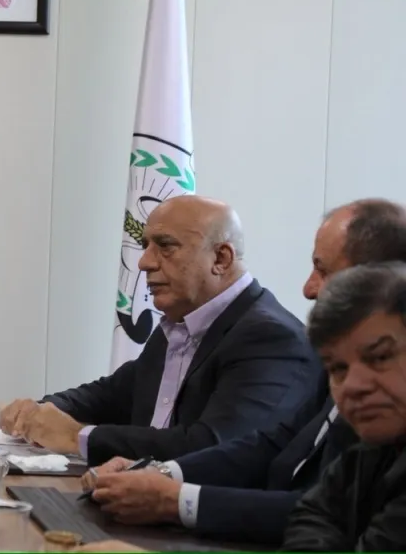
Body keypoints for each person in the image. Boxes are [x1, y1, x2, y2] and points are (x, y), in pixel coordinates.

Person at [83, 199, 406, 544]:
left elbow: (318, 512)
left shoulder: (272, 335)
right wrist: (159, 472)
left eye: (379, 358)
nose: (308, 288)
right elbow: (284, 461)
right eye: (338, 368)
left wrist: (174, 500)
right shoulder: (174, 330)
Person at [0, 195, 323, 465]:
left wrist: (78, 437)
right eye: (145, 245)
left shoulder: (269, 338)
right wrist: (39, 412)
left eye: (165, 246)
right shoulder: (180, 323)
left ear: (221, 258)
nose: (144, 262)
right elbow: (111, 394)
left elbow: (214, 448)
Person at [283, 261, 406, 551]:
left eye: (379, 357)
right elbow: (312, 515)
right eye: (338, 368)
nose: (353, 386)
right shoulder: (371, 450)